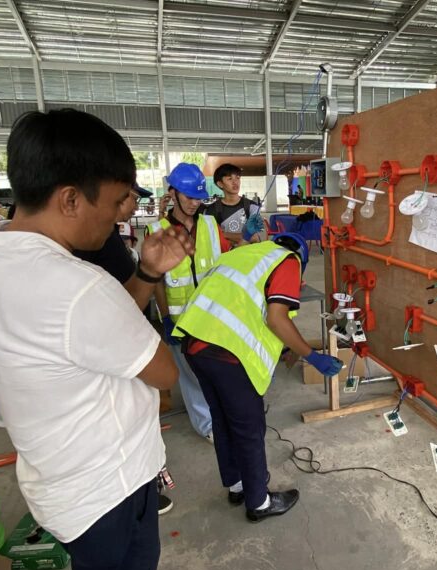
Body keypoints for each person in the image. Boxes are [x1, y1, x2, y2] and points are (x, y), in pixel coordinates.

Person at [0, 108, 193, 570]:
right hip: (109, 490)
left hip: (61, 482)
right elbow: (163, 372)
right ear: (70, 199)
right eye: (114, 203)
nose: (118, 216)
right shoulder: (79, 285)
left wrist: (147, 272)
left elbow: (89, 334)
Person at [173, 233, 344, 522]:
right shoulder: (287, 260)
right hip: (227, 355)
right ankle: (259, 502)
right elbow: (276, 318)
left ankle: (237, 485)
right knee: (248, 428)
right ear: (301, 258)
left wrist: (288, 348)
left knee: (222, 420)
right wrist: (312, 356)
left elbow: (246, 306)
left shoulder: (244, 254)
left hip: (195, 345)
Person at [147, 163, 225, 443]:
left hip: (211, 315)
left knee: (216, 369)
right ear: (173, 193)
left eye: (199, 198)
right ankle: (207, 425)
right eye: (189, 196)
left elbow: (223, 264)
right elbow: (156, 280)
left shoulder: (210, 225)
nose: (194, 203)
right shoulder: (157, 230)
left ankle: (222, 414)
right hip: (180, 318)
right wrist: (166, 318)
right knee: (191, 376)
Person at [203, 164, 265, 245]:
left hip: (250, 253)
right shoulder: (211, 210)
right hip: (225, 253)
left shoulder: (252, 207)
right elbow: (211, 238)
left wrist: (224, 234)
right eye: (230, 179)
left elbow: (256, 237)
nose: (235, 182)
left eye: (237, 178)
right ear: (220, 184)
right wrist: (245, 237)